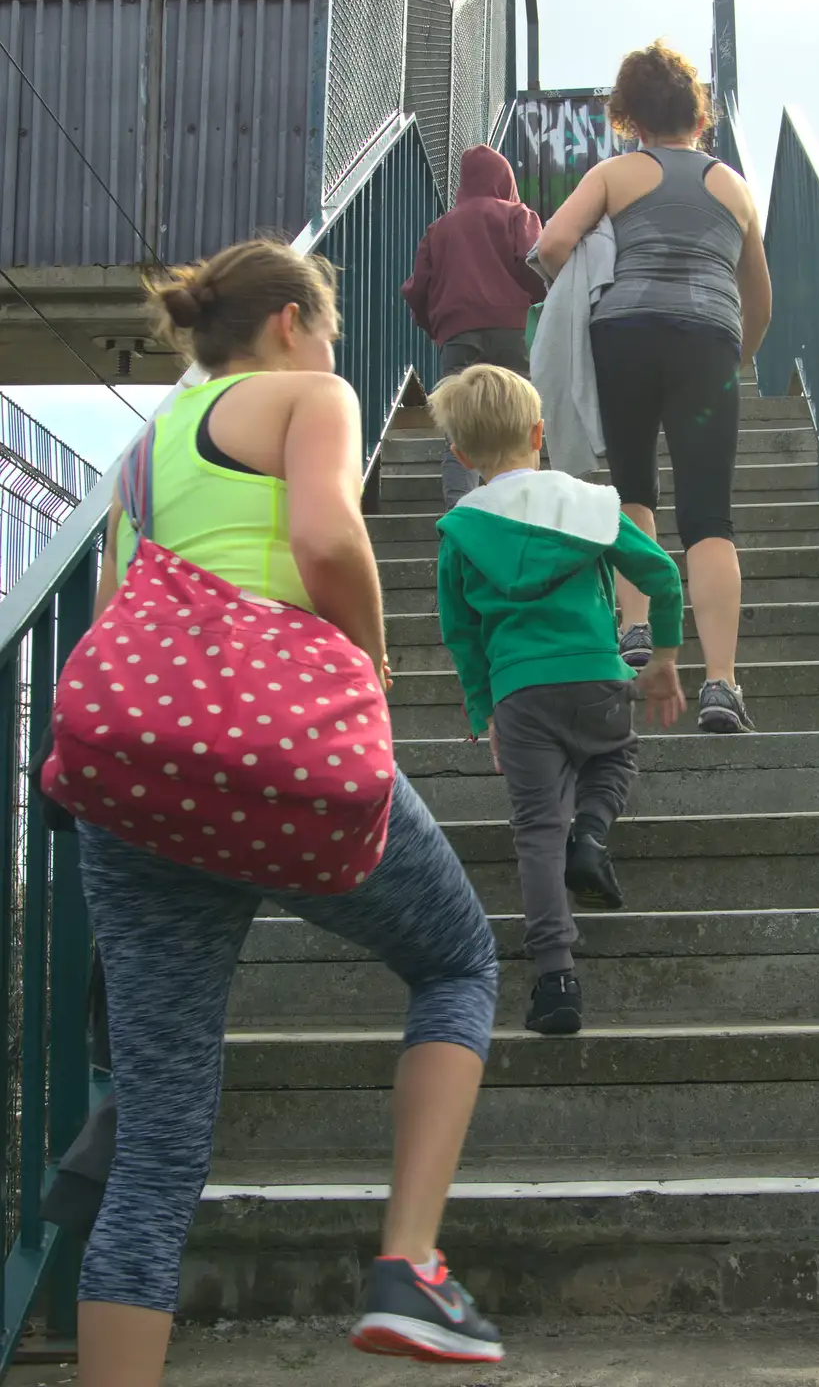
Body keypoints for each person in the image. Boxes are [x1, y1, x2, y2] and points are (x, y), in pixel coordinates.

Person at [72, 239, 502, 1386]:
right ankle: (409, 1262)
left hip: (141, 784)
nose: (332, 348)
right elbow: (323, 535)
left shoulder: (141, 454)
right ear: (289, 321)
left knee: (159, 1153)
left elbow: (122, 610)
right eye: (328, 326)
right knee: (459, 958)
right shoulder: (314, 394)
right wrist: (372, 648)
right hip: (280, 757)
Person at [429, 364, 685, 1035]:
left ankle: (555, 980)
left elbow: (461, 636)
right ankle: (593, 834)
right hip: (597, 674)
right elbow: (659, 574)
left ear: (461, 455)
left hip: (519, 691)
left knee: (535, 830)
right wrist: (662, 657)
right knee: (615, 759)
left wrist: (486, 712)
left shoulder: (460, 532)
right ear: (540, 432)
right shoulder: (591, 506)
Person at [535, 42, 773, 733]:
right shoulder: (733, 187)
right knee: (710, 520)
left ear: (631, 117)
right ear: (698, 116)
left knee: (634, 488)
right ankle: (722, 684)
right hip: (708, 343)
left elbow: (552, 245)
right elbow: (760, 303)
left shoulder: (615, 172)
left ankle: (636, 628)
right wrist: (737, 359)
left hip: (626, 334)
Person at [402, 145, 545, 509]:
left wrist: (439, 325)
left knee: (461, 428)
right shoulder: (518, 216)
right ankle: (525, 510)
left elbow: (417, 288)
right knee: (521, 418)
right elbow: (538, 267)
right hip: (515, 331)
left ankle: (461, 515)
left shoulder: (439, 229)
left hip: (459, 336)